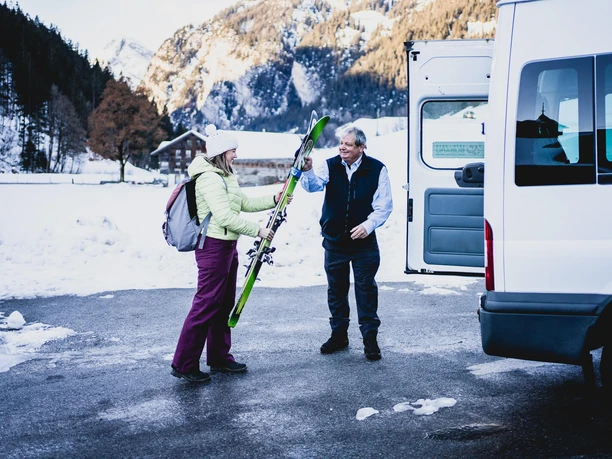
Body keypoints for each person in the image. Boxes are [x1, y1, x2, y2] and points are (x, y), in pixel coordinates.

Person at [171, 125, 284, 383]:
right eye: (233, 150)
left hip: (227, 246)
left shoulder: (225, 176)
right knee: (206, 304)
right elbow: (224, 217)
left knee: (223, 304)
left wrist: (273, 199)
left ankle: (219, 357)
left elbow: (242, 203)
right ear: (222, 152)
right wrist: (258, 231)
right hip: (212, 248)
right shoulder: (210, 178)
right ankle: (184, 363)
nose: (236, 155)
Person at [300, 126, 392, 361]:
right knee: (336, 291)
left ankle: (370, 339)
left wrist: (368, 225)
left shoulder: (377, 169)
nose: (342, 147)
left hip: (364, 245)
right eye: (341, 143)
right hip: (334, 241)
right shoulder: (330, 165)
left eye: (348, 144)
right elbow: (313, 186)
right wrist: (308, 171)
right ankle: (339, 335)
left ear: (362, 147)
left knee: (366, 291)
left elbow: (384, 206)